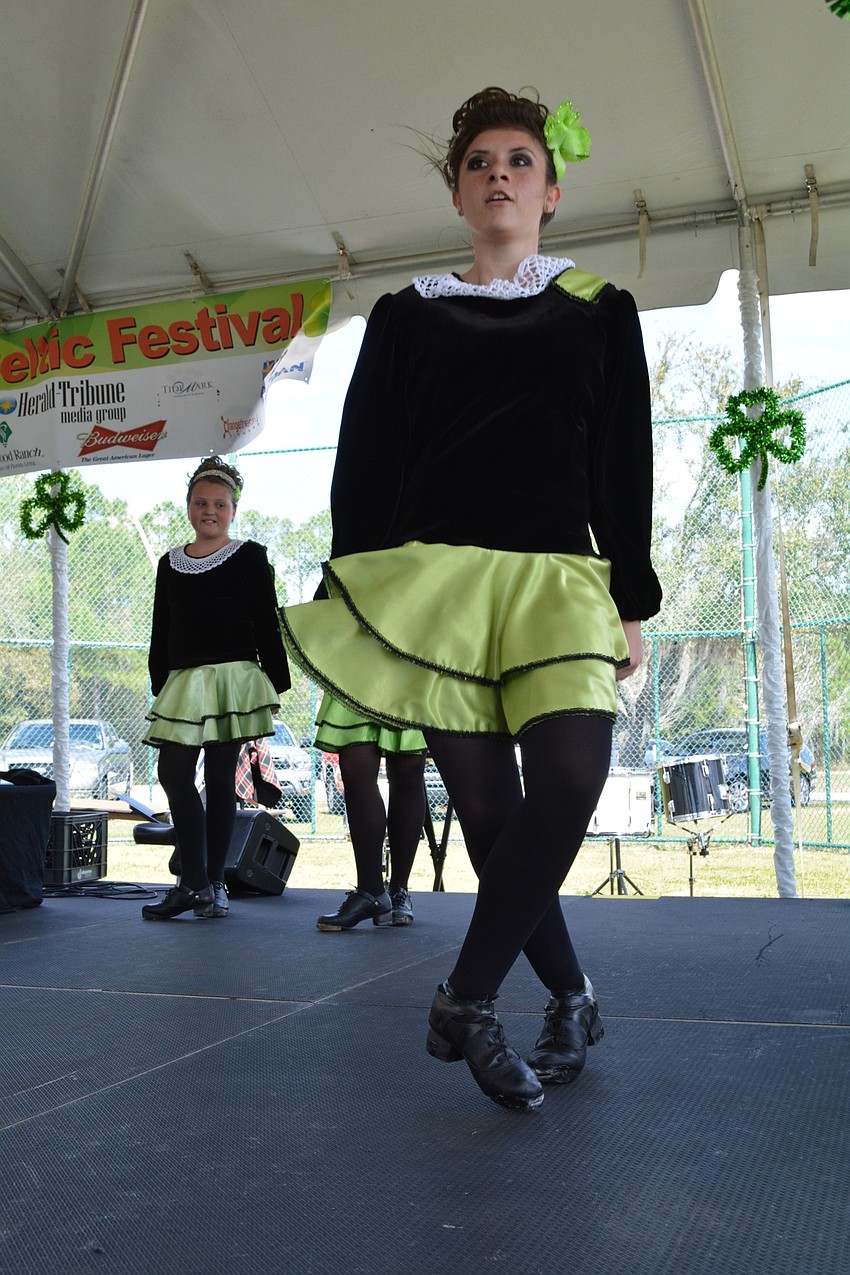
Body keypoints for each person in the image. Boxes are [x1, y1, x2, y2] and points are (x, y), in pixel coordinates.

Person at [281, 87, 661, 1109]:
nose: (500, 174)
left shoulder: (600, 308)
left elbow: (623, 465)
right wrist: (358, 587)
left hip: (559, 581)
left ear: (550, 190)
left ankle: (466, 997)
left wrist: (630, 598)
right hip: (437, 585)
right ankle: (571, 997)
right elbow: (366, 462)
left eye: (519, 160)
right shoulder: (406, 315)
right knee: (490, 816)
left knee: (570, 781)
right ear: (457, 193)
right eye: (480, 162)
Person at [141, 455, 290, 920]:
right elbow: (162, 626)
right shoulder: (170, 563)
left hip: (233, 681)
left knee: (222, 778)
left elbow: (266, 620)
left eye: (219, 504)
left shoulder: (249, 556)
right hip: (185, 683)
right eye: (201, 503)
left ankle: (213, 883)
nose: (210, 511)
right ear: (188, 506)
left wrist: (275, 683)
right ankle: (195, 883)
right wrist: (161, 682)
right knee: (173, 772)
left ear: (233, 510)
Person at [313, 695, 427, 931]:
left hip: (410, 676)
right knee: (355, 765)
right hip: (359, 676)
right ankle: (370, 891)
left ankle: (399, 890)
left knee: (407, 768)